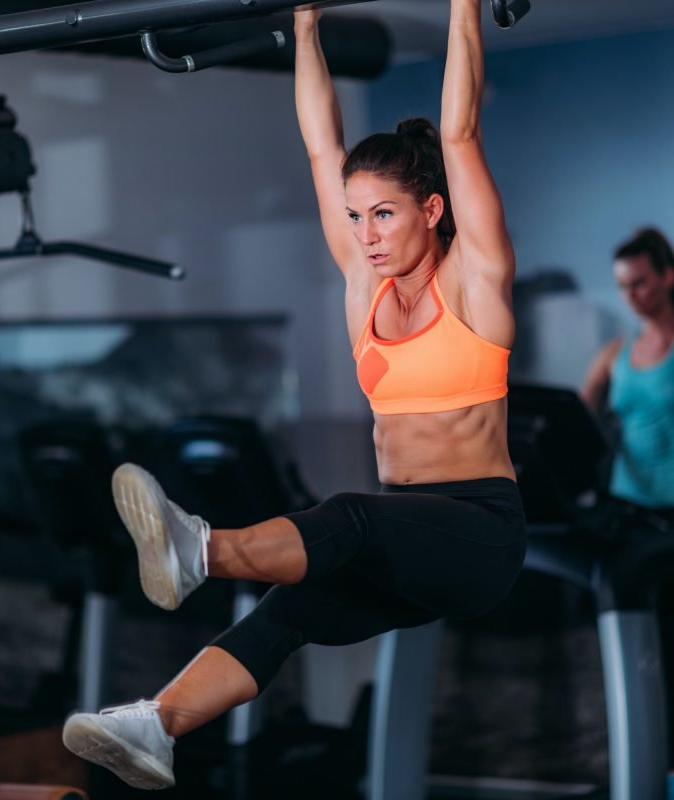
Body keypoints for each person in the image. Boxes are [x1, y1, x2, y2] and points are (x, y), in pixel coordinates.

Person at [62, 0, 527, 789]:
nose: (367, 233)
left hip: (480, 533)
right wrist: (304, 25)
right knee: (287, 612)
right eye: (357, 217)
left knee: (346, 516)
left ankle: (200, 550)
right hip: (402, 545)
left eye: (384, 214)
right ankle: (157, 725)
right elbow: (321, 148)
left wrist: (463, 7)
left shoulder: (476, 283)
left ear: (434, 210)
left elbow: (461, 134)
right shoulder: (363, 291)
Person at [581, 227, 674, 509]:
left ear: (668, 276)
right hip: (627, 505)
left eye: (638, 283)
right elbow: (573, 421)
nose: (629, 295)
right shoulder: (613, 355)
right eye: (622, 286)